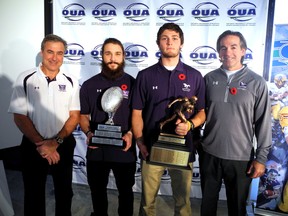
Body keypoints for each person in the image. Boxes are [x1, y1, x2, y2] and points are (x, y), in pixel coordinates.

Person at [131, 23, 206, 216]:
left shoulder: (195, 76)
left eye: (174, 38)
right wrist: (140, 142)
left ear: (181, 43)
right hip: (151, 148)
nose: (169, 42)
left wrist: (190, 124)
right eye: (164, 38)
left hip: (183, 150)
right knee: (147, 203)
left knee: (183, 203)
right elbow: (137, 113)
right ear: (158, 43)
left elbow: (202, 113)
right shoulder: (145, 76)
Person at [200, 30, 272, 216]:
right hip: (209, 154)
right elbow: (201, 114)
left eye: (233, 47)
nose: (228, 52)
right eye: (223, 48)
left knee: (237, 208)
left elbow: (264, 122)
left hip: (241, 158)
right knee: (207, 206)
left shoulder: (257, 82)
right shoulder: (209, 79)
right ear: (218, 52)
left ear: (243, 51)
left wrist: (261, 158)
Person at [8, 34, 80, 216]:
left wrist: (54, 143)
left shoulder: (71, 80)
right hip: (33, 146)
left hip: (62, 145)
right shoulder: (25, 78)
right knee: (33, 195)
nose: (54, 58)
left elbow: (74, 116)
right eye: (50, 52)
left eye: (59, 53)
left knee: (64, 193)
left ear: (64, 55)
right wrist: (41, 144)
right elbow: (19, 116)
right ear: (41, 53)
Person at [79, 38, 136, 216]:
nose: (113, 58)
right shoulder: (89, 85)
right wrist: (89, 133)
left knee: (126, 192)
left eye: (117, 54)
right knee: (97, 192)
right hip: (97, 148)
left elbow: (139, 116)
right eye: (108, 53)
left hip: (124, 148)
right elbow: (82, 116)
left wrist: (131, 134)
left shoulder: (134, 84)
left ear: (123, 57)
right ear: (102, 56)